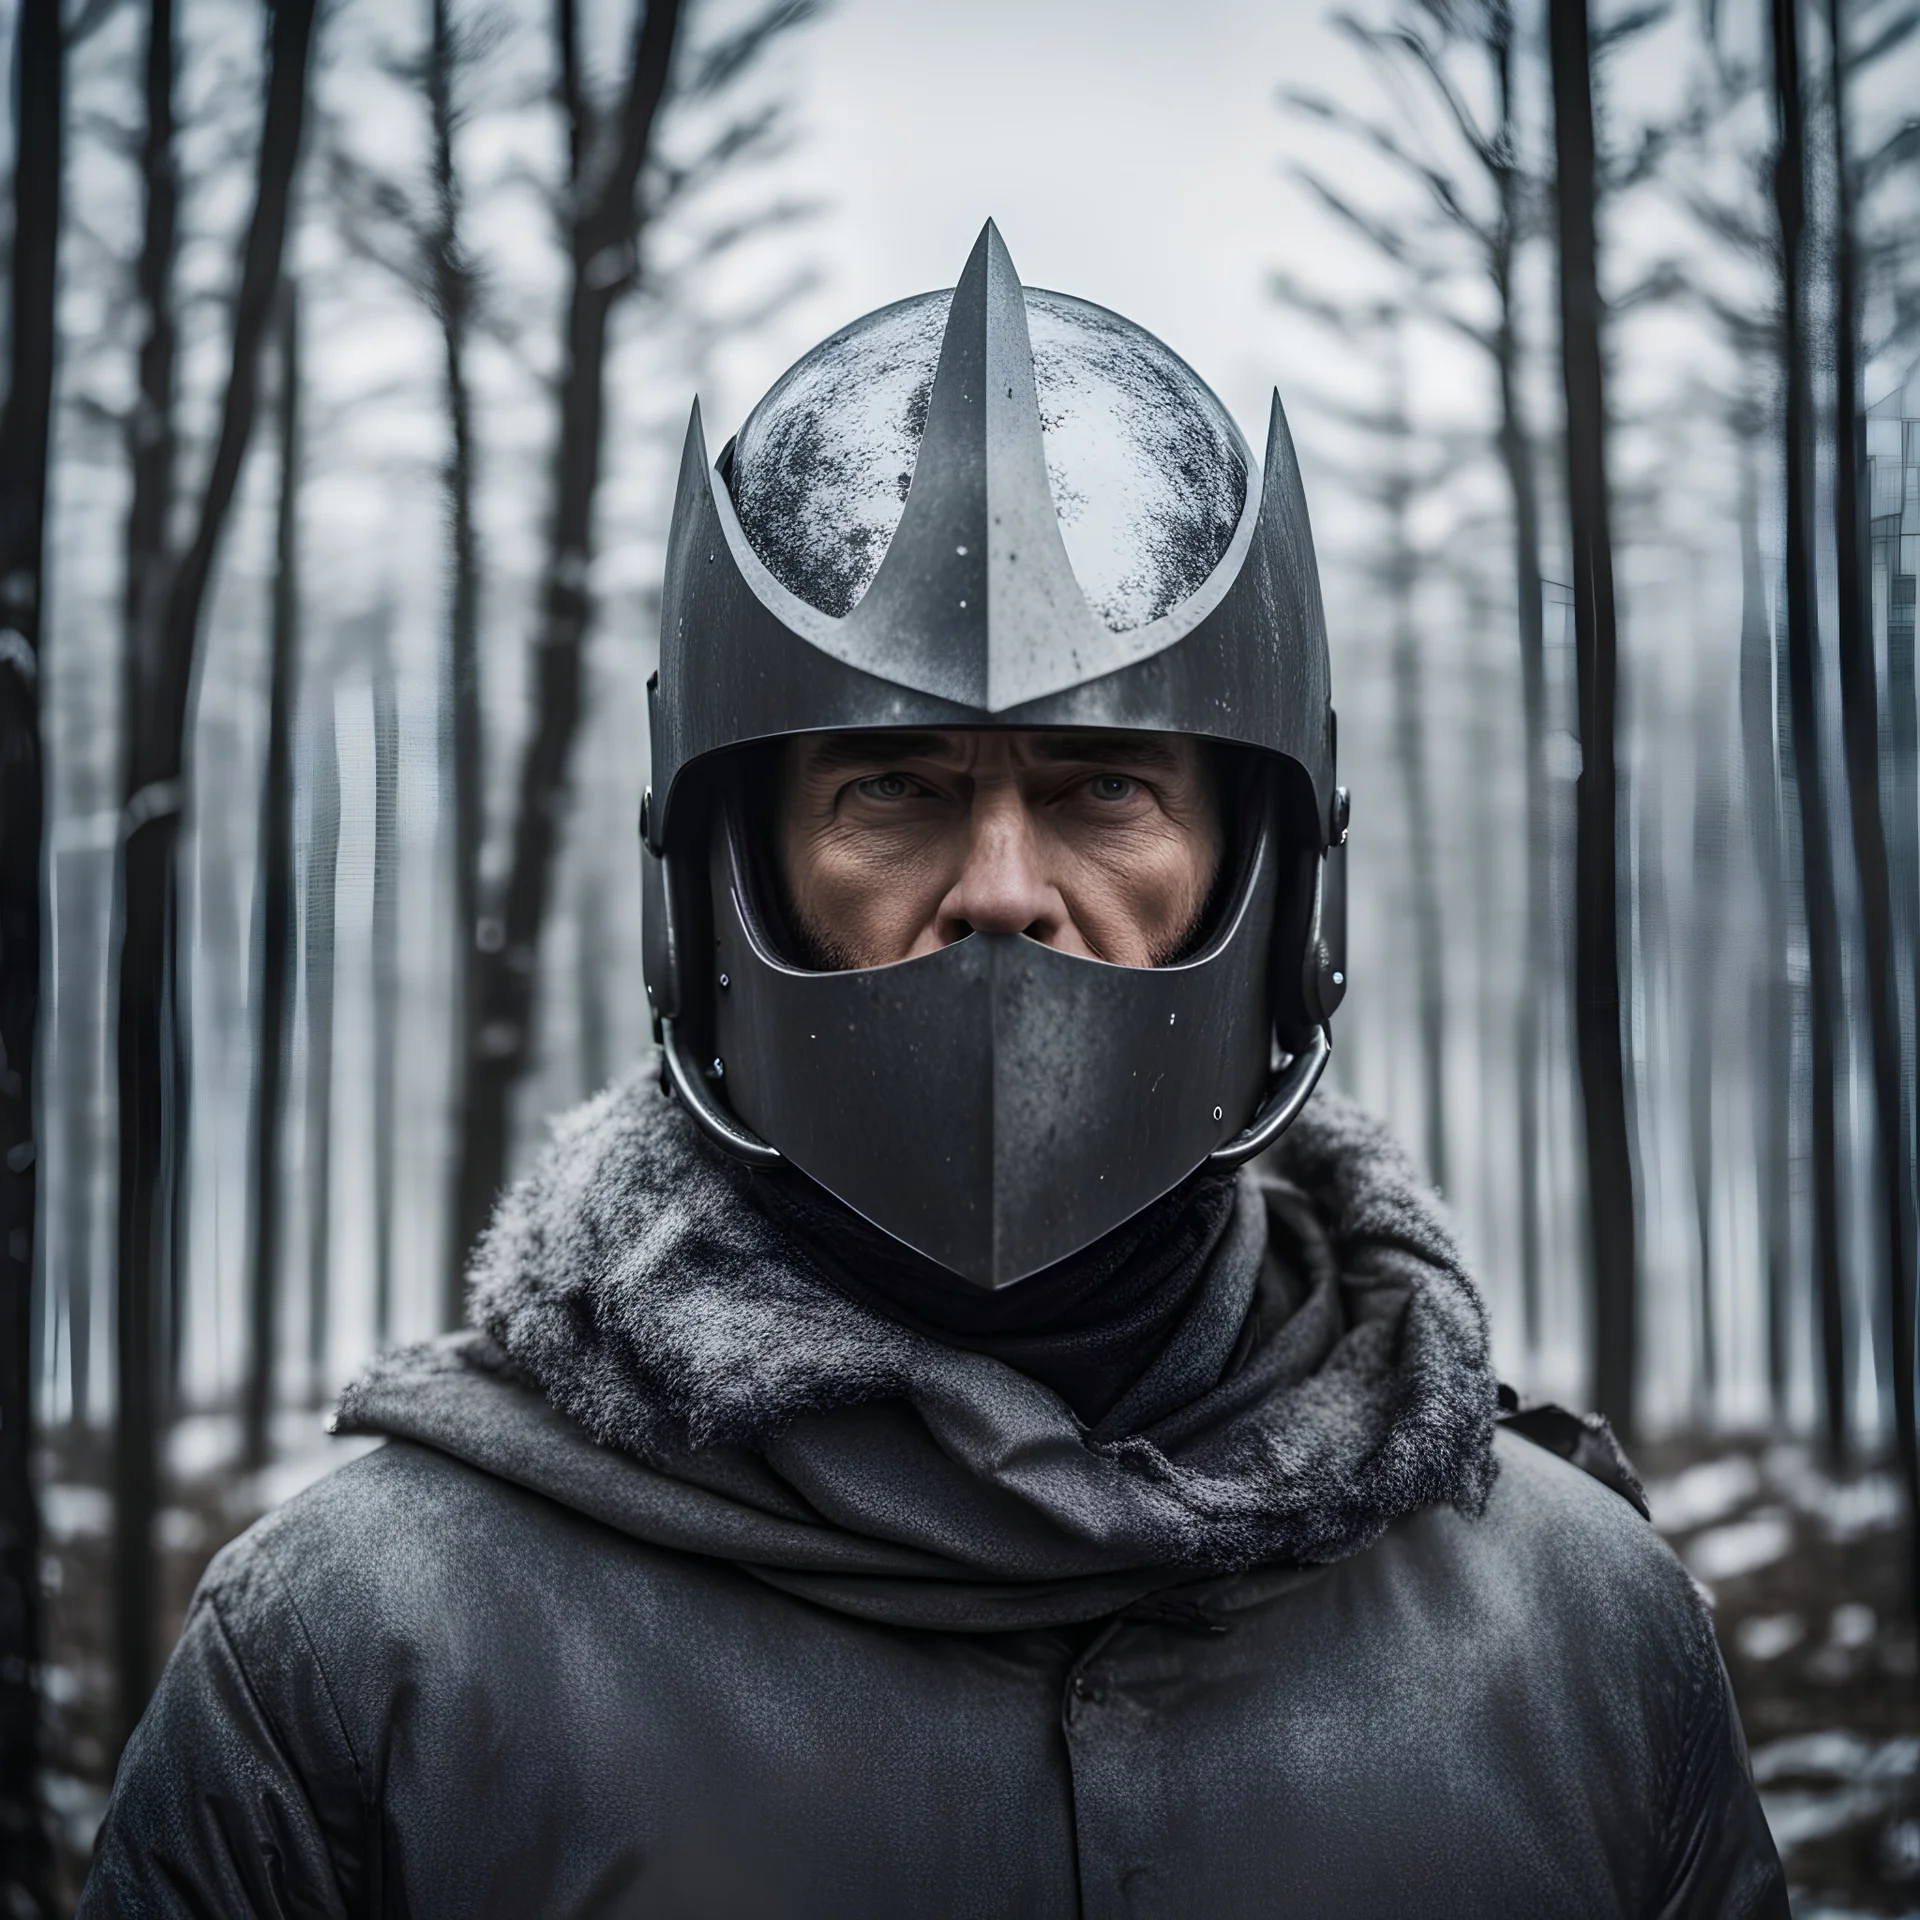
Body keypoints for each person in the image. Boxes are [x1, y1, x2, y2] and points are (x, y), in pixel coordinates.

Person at [82, 223, 1787, 1917]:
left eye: (1101, 784)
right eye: (890, 788)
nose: (998, 887)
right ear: (723, 870)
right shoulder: (361, 1654)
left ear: (1269, 871)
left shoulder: (1584, 1639)